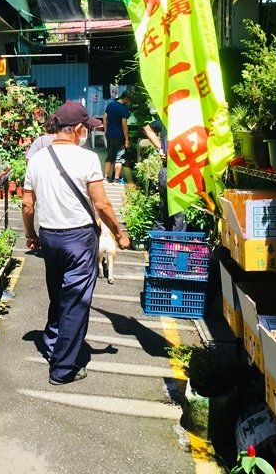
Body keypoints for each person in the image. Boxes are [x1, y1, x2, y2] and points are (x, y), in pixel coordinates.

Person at [22, 101, 131, 385]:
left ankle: (51, 345)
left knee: (58, 296)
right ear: (78, 129)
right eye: (86, 127)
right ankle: (63, 369)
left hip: (49, 237)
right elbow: (102, 204)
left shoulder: (36, 159)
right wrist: (119, 232)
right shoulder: (86, 159)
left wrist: (30, 235)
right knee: (76, 303)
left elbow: (26, 204)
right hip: (79, 238)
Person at [143, 116, 186, 232]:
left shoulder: (168, 116)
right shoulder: (187, 118)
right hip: (182, 170)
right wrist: (160, 147)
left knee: (166, 209)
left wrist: (160, 148)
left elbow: (148, 129)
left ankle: (163, 240)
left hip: (168, 169)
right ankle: (175, 243)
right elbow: (148, 128)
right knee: (179, 211)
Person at [103, 91, 132, 183]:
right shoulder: (123, 109)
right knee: (119, 158)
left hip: (110, 135)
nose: (128, 103)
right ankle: (116, 179)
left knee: (109, 157)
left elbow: (104, 117)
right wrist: (127, 139)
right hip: (119, 136)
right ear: (126, 98)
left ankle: (105, 178)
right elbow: (124, 125)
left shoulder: (110, 105)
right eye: (128, 101)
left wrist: (106, 130)